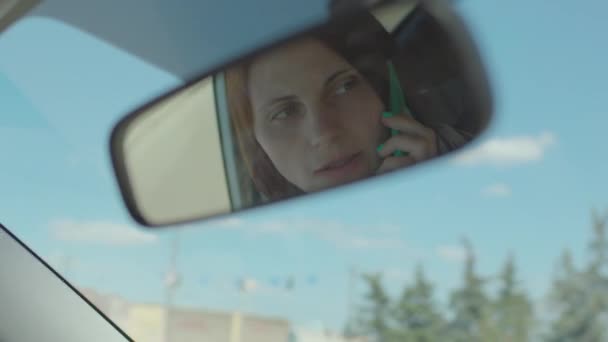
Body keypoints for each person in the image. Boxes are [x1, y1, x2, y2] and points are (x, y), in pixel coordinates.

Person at [225, 11, 473, 203]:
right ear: (257, 143)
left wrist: (437, 183)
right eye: (284, 112)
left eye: (344, 87)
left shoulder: (467, 161)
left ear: (386, 94)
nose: (324, 132)